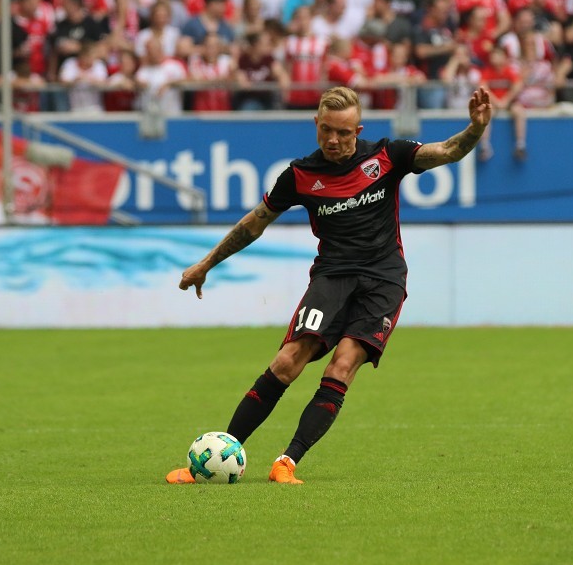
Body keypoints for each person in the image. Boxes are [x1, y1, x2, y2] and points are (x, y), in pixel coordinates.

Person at [166, 85, 492, 485]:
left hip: (383, 279)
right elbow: (255, 222)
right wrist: (206, 263)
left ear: (358, 129)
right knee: (288, 361)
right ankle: (218, 457)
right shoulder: (301, 174)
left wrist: (475, 129)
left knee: (343, 364)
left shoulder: (388, 156)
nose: (334, 140)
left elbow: (448, 151)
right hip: (332, 276)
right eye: (326, 131)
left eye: (343, 132)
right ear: (316, 125)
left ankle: (287, 462)